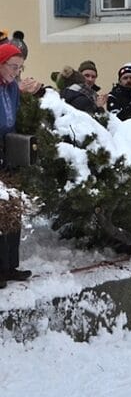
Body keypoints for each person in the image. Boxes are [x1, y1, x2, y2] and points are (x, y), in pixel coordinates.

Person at [0, 43, 41, 288]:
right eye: (13, 66)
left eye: (19, 67)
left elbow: (12, 117)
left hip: (9, 149)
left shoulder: (12, 88)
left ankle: (10, 266)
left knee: (12, 209)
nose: (16, 71)